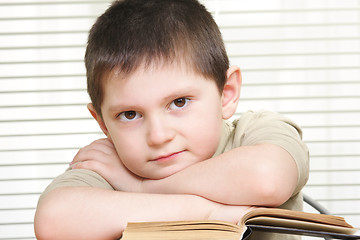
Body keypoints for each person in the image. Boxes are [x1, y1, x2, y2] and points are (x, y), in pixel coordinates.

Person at [34, 0, 309, 239]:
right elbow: (54, 221)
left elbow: (266, 179)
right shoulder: (108, 163)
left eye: (179, 102)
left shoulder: (256, 132)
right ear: (103, 123)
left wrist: (141, 188)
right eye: (130, 114)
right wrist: (209, 213)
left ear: (226, 94)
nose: (158, 136)